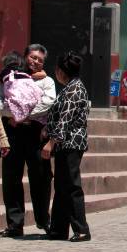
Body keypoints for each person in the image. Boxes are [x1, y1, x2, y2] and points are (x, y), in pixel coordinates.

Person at [0, 44, 56, 238]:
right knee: (11, 178)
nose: (36, 62)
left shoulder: (47, 81)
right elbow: (0, 103)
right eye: (33, 57)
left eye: (40, 60)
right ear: (25, 57)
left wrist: (21, 115)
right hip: (13, 134)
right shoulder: (8, 78)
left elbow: (47, 103)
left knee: (41, 177)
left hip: (36, 134)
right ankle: (15, 224)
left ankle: (44, 221)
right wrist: (12, 113)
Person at [41, 52, 91, 241]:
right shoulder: (71, 87)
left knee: (71, 186)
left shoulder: (73, 89)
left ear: (62, 71)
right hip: (65, 144)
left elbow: (65, 120)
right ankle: (58, 230)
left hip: (70, 143)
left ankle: (82, 229)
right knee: (62, 186)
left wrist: (50, 142)